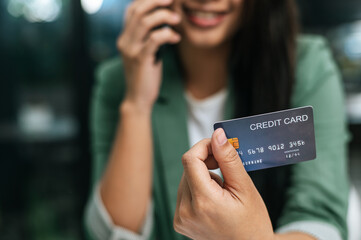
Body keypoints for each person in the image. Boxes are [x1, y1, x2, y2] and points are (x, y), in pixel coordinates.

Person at [84, 0, 350, 239]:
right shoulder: (118, 81)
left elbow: (320, 220)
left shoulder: (306, 66)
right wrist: (136, 104)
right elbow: (113, 234)